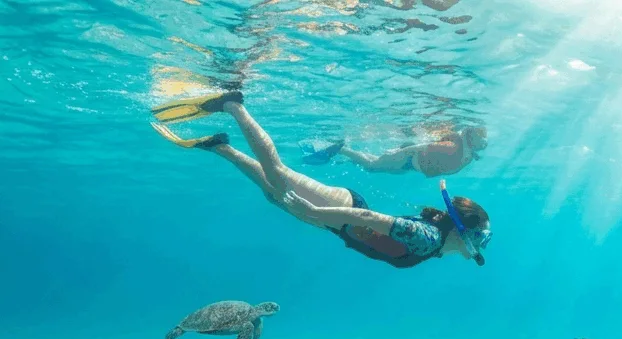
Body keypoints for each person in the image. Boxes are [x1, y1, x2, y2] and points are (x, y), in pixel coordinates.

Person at [150, 92, 491, 270]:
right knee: (279, 175)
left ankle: (221, 146)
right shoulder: (427, 238)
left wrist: (320, 217)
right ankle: (233, 106)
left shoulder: (436, 245)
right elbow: (371, 219)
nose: (483, 244)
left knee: (274, 194)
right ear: (466, 232)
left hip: (337, 222)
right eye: (482, 236)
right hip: (343, 211)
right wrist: (316, 210)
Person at [308, 125, 487, 178]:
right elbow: (421, 147)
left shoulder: (467, 153)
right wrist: (398, 153)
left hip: (410, 164)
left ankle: (343, 152)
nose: (483, 143)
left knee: (376, 165)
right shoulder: (453, 148)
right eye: (481, 140)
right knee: (372, 166)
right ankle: (341, 149)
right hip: (408, 157)